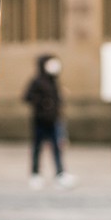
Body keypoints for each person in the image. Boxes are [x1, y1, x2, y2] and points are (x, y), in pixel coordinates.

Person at [22, 54, 73, 189]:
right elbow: (27, 97)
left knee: (57, 148)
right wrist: (43, 103)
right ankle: (35, 174)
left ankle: (60, 173)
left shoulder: (54, 81)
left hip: (55, 120)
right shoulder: (37, 81)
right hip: (40, 121)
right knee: (37, 148)